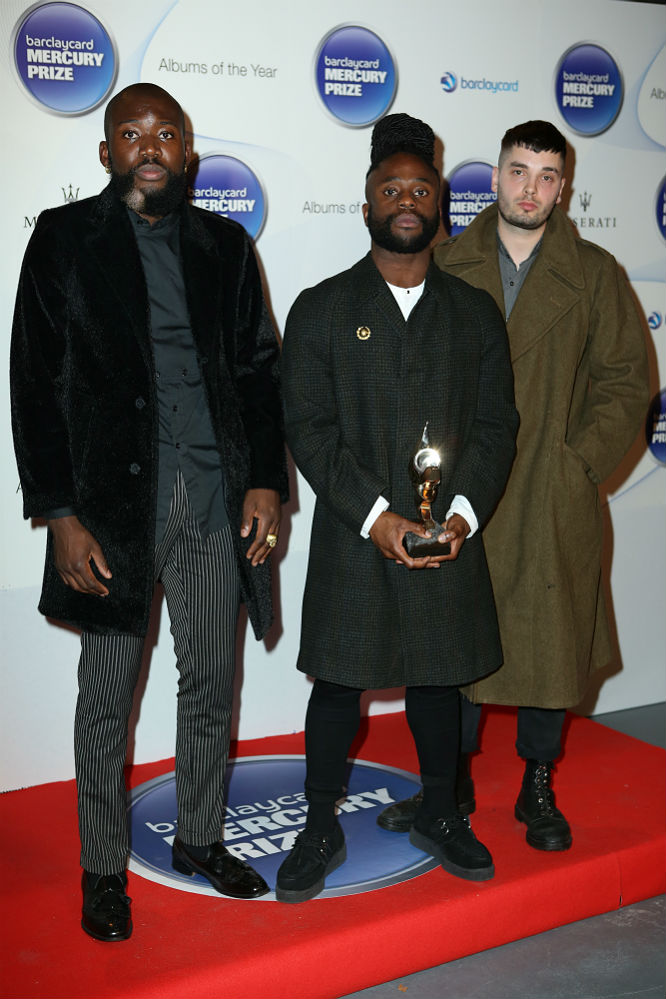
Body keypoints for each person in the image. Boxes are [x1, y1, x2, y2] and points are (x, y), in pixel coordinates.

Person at [10, 83, 288, 940]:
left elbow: (257, 371)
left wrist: (266, 480)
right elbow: (33, 382)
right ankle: (102, 867)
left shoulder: (227, 246)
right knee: (106, 695)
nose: (150, 146)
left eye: (167, 133)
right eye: (130, 134)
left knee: (211, 678)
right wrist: (59, 513)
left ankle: (201, 836)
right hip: (112, 511)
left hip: (213, 503)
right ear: (105, 154)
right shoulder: (64, 241)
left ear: (189, 152)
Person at [378, 120, 649, 851]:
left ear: (564, 187)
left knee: (548, 643)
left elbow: (628, 382)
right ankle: (449, 786)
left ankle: (537, 786)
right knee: (450, 645)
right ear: (494, 176)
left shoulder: (595, 274)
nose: (531, 188)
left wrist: (577, 459)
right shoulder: (442, 261)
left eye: (547, 175)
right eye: (518, 170)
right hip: (459, 491)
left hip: (549, 495)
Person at [277, 113, 518, 903]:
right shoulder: (319, 307)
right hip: (357, 539)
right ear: (367, 204)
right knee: (338, 688)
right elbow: (308, 430)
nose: (405, 199)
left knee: (440, 684)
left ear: (441, 203)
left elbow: (495, 428)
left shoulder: (476, 312)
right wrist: (378, 515)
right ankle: (319, 824)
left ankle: (442, 811)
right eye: (391, 188)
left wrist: (462, 516)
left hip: (448, 535)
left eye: (420, 187)